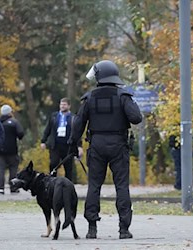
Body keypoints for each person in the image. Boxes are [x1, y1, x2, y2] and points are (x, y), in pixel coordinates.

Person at [68, 60, 142, 239]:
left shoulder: (89, 98)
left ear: (99, 76)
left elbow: (78, 124)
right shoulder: (123, 96)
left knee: (94, 186)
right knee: (122, 187)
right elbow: (136, 118)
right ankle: (124, 229)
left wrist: (73, 144)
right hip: (118, 145)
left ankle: (91, 228)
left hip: (97, 145)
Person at [41, 98, 83, 182]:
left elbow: (77, 132)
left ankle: (68, 184)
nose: (62, 106)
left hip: (68, 145)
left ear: (69, 106)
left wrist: (79, 146)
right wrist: (43, 141)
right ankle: (52, 183)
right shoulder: (54, 116)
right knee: (53, 163)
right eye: (61, 104)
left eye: (64, 104)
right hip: (56, 145)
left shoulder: (73, 118)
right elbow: (48, 129)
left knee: (68, 167)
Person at [0, 104, 24, 194]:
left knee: (0, 169)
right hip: (12, 149)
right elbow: (20, 133)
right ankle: (13, 187)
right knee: (13, 168)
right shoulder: (14, 122)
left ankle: (1, 188)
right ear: (10, 112)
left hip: (0, 150)